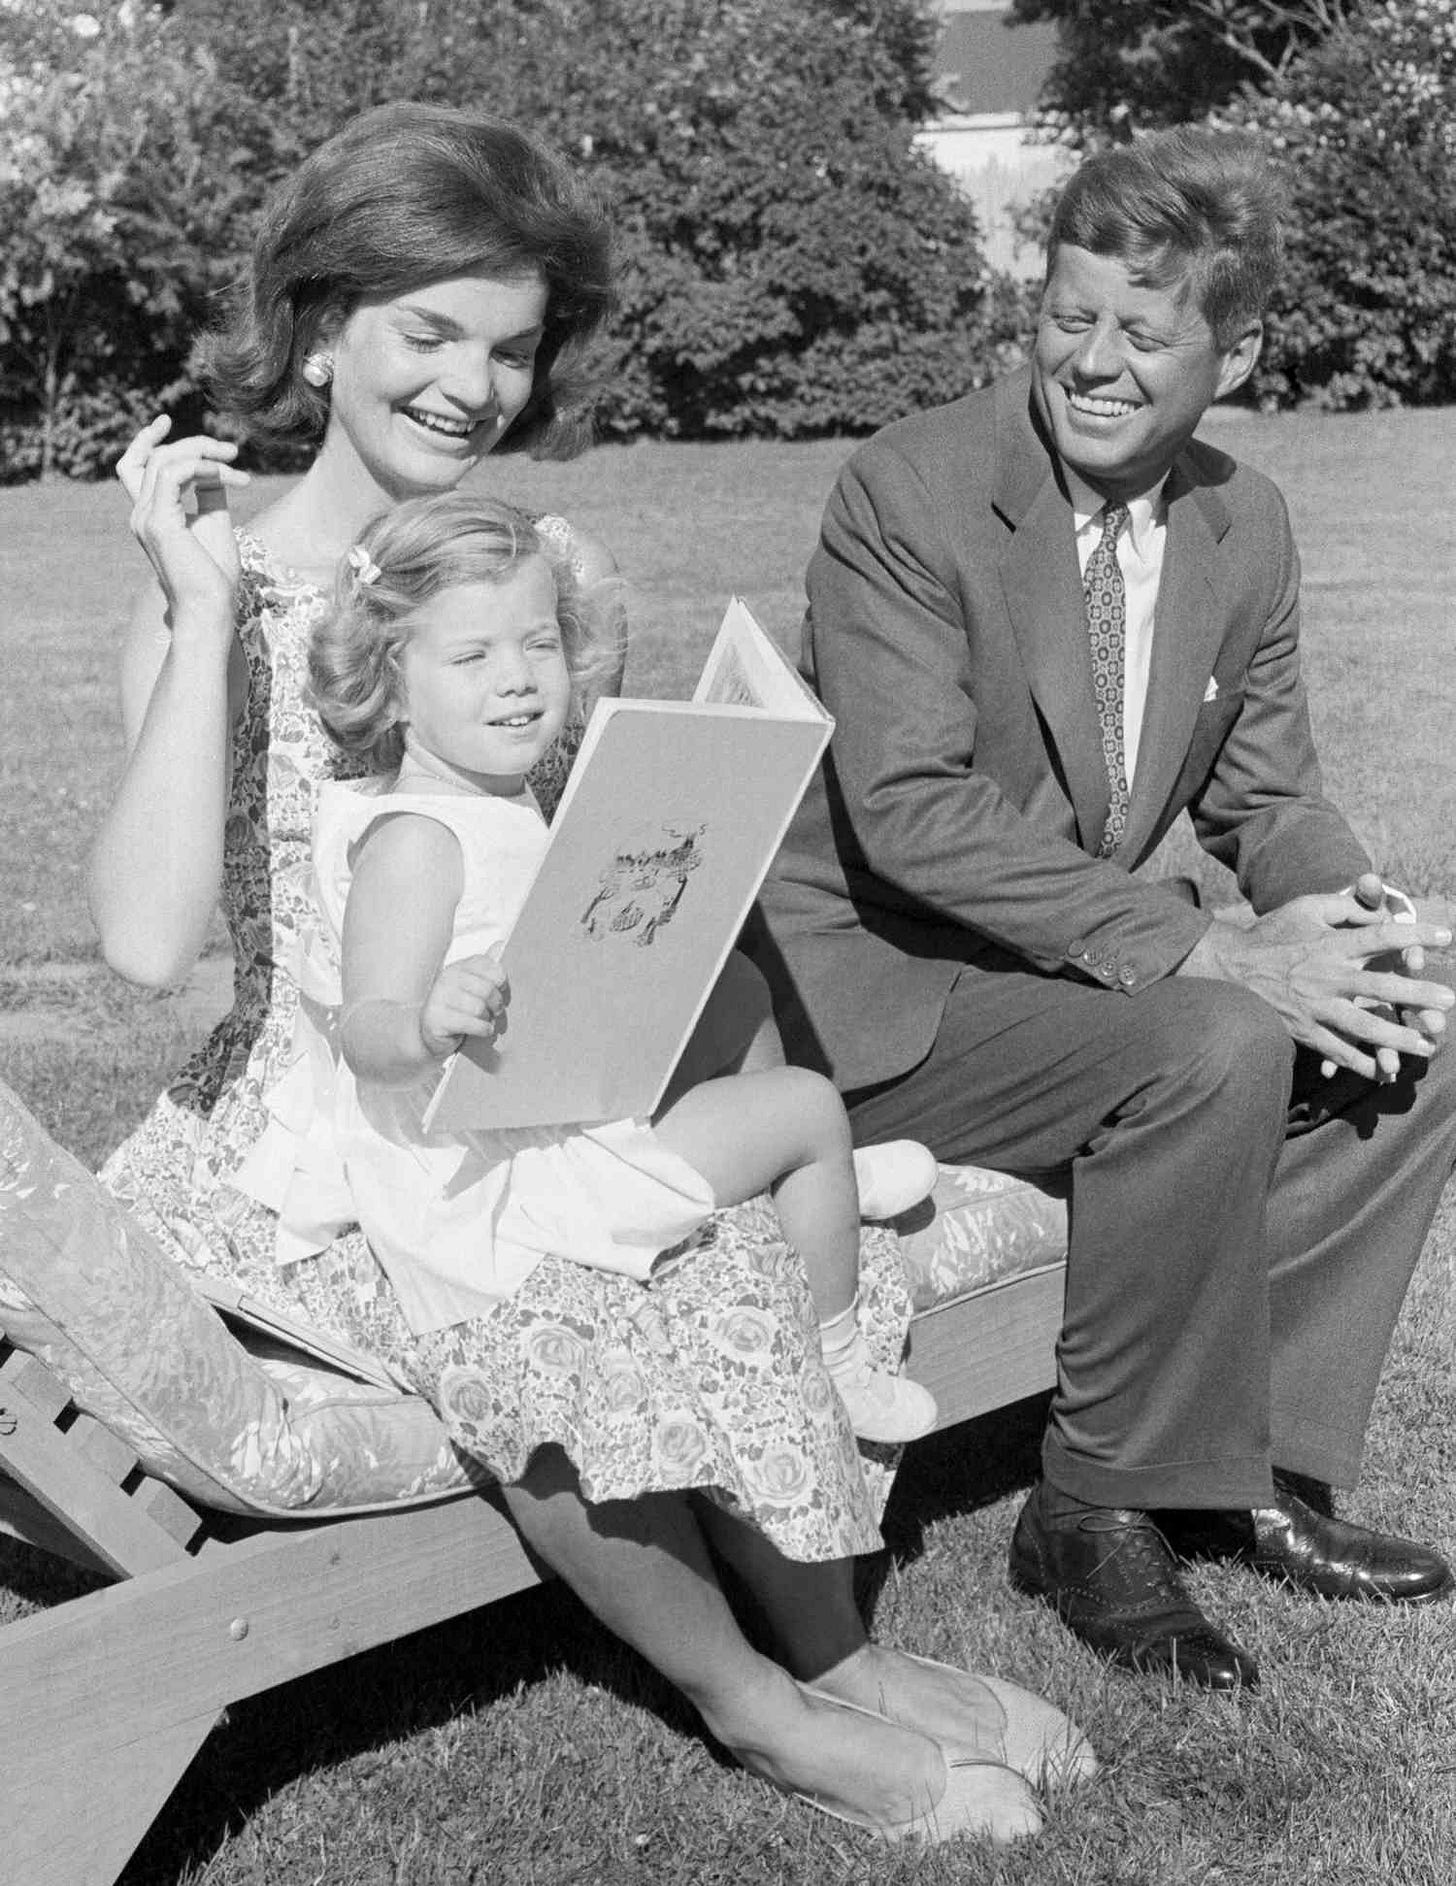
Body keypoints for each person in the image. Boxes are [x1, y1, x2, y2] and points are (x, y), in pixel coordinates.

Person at [86, 100, 1091, 1843]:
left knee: (716, 1252)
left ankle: (840, 1653)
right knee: (546, 1332)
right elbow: (146, 942)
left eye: (509, 347)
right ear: (319, 332)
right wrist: (194, 609)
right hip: (328, 1137)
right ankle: (761, 1710)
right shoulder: (218, 588)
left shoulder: (514, 578)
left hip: (529, 1066)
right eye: (429, 334)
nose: (473, 386)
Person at [748, 124, 1456, 1692]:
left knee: (1417, 1029)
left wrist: (1352, 921)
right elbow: (911, 809)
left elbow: (1268, 796)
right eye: (1070, 316)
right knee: (1212, 1037)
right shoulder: (910, 490)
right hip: (881, 997)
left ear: (1235, 354)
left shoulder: (1245, 522)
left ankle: (1245, 1461)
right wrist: (1210, 944)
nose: (1092, 361)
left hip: (1057, 971)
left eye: (1143, 333)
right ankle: (1093, 1506)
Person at [277, 488, 935, 1444]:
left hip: (551, 1084)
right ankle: (838, 1354)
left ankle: (807, 1182)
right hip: (500, 1162)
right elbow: (365, 1032)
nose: (517, 679)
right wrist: (424, 1023)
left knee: (736, 984)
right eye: (472, 657)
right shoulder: (418, 842)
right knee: (807, 1104)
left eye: (539, 644)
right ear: (392, 683)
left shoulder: (488, 793)